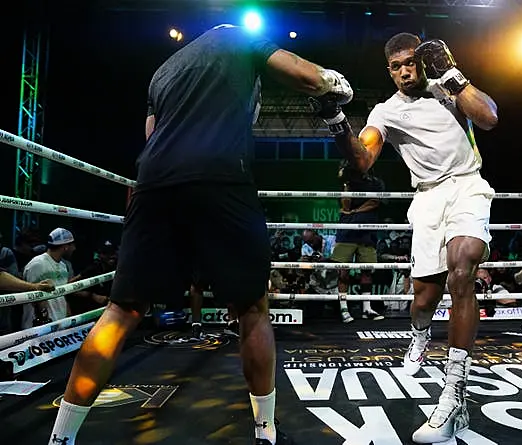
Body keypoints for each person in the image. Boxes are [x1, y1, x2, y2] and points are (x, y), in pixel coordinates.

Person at [48, 23, 352, 445]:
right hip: (220, 174)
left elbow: (151, 137)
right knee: (252, 307)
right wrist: (337, 84)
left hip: (154, 182)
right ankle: (265, 432)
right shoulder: (236, 37)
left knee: (121, 310)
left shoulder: (162, 72)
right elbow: (307, 76)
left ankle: (61, 437)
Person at [310, 33, 498, 443]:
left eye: (411, 62)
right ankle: (419, 335)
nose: (404, 70)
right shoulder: (386, 111)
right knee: (423, 299)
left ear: (424, 61)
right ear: (389, 70)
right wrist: (335, 120)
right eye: (396, 66)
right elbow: (361, 159)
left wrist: (452, 74)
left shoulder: (447, 88)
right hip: (427, 197)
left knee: (462, 273)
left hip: (468, 186)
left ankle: (454, 397)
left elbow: (488, 117)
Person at [330, 159, 385, 323]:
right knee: (343, 270)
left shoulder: (377, 182)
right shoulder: (346, 182)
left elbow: (374, 202)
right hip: (347, 230)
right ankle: (344, 309)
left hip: (367, 231)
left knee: (367, 271)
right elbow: (345, 206)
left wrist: (355, 210)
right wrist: (347, 183)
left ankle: (366, 308)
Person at [22, 228, 76, 329]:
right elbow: (33, 297)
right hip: (38, 327)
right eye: (72, 245)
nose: (74, 248)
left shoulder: (63, 266)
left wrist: (67, 312)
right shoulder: (37, 264)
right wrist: (43, 320)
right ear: (65, 247)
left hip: (59, 324)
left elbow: (62, 293)